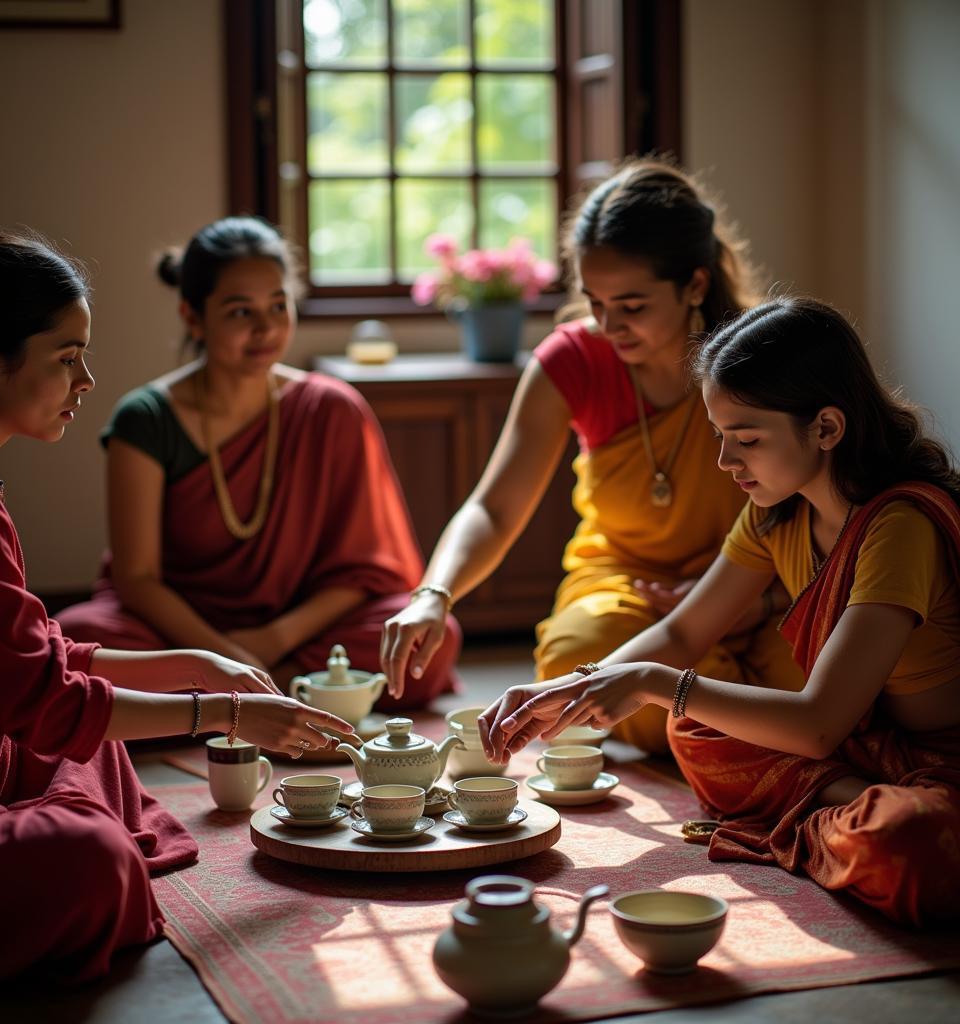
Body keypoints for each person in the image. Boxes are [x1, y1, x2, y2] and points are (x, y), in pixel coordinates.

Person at [0, 214, 358, 985]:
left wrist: (197, 663)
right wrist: (227, 713)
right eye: (68, 359)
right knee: (94, 862)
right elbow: (48, 693)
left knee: (94, 737)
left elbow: (35, 658)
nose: (87, 383)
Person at [480, 297, 960, 926]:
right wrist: (568, 691)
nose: (725, 462)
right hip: (866, 751)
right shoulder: (777, 512)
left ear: (826, 428)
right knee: (693, 727)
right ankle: (845, 801)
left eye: (747, 439)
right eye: (721, 436)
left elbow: (817, 725)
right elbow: (683, 630)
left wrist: (655, 683)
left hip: (940, 763)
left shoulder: (899, 527)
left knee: (910, 841)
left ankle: (837, 809)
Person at [381, 159, 801, 753]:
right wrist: (434, 593)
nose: (608, 325)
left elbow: (811, 508)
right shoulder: (573, 359)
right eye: (595, 302)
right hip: (626, 591)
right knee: (576, 657)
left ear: (696, 285)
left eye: (631, 306)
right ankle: (735, 726)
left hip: (760, 589)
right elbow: (495, 508)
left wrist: (759, 600)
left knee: (825, 670)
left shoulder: (755, 355)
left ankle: (720, 722)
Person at [56, 216, 459, 707]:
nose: (267, 328)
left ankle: (228, 701)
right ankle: (280, 696)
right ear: (192, 316)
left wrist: (271, 643)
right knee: (76, 640)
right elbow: (137, 579)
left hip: (299, 631)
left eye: (278, 305)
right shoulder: (146, 418)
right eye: (240, 312)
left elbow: (365, 574)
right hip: (178, 633)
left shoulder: (331, 408)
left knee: (432, 640)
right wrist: (220, 654)